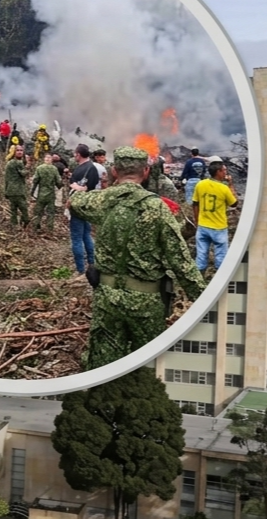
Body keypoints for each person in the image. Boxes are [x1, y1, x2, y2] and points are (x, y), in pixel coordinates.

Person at [69, 146, 205, 370]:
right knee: (146, 368)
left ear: (114, 171)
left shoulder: (99, 201)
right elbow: (181, 263)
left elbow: (74, 203)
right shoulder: (157, 207)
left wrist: (111, 188)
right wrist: (204, 305)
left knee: (103, 368)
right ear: (146, 172)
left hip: (107, 299)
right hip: (146, 303)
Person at [192, 159, 237, 273]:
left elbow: (195, 204)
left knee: (201, 256)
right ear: (218, 172)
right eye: (224, 171)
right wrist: (231, 184)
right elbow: (234, 203)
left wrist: (197, 221)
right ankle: (219, 281)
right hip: (219, 227)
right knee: (221, 258)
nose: (226, 173)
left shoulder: (200, 184)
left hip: (202, 226)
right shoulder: (224, 188)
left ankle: (199, 281)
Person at [68, 144, 99, 275]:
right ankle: (92, 263)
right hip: (88, 205)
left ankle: (80, 269)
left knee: (76, 238)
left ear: (78, 155)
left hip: (77, 206)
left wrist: (74, 186)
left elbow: (72, 184)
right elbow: (93, 185)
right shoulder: (93, 168)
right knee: (86, 234)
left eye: (75, 154)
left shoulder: (79, 170)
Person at [31, 154, 62, 231]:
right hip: (51, 194)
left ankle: (35, 227)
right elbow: (59, 182)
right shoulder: (54, 169)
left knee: (38, 212)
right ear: (51, 160)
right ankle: (49, 229)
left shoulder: (39, 168)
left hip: (41, 193)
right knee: (50, 213)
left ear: (44, 159)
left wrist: (32, 192)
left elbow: (35, 181)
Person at [4, 145, 30, 228]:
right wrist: (28, 165)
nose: (20, 152)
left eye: (21, 150)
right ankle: (26, 225)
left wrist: (6, 191)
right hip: (18, 190)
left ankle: (14, 227)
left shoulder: (9, 162)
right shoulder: (18, 162)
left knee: (13, 211)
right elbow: (23, 173)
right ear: (13, 152)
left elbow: (6, 179)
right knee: (24, 209)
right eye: (17, 150)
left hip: (10, 191)